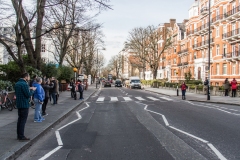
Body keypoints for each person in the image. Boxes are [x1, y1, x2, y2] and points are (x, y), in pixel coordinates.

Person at [15, 73, 36, 141]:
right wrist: (32, 90)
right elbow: (28, 95)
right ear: (26, 77)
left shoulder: (17, 83)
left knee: (19, 120)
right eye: (29, 76)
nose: (29, 78)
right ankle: (21, 136)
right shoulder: (24, 84)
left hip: (19, 104)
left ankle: (18, 135)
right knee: (23, 121)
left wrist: (29, 88)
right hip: (24, 104)